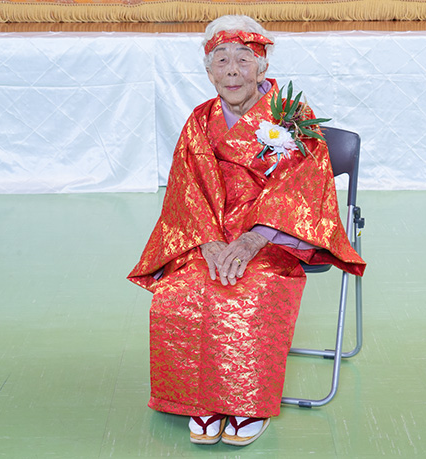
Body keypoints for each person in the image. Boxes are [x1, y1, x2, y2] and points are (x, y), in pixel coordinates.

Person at [128, 15, 366, 447]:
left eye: (244, 58)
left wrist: (254, 238)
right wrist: (208, 241)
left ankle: (245, 403)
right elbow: (185, 188)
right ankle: (201, 399)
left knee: (248, 288)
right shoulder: (200, 120)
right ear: (209, 72)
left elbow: (304, 186)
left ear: (262, 66)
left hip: (272, 234)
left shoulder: (292, 118)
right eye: (221, 60)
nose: (233, 70)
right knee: (183, 288)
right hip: (210, 233)